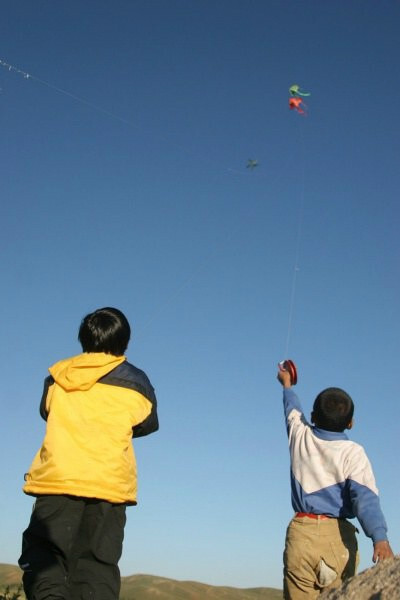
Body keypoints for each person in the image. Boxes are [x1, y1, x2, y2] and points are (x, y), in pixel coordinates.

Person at [19, 307, 159, 600]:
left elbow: (47, 411)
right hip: (109, 486)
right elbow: (147, 424)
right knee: (97, 567)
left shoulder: (57, 376)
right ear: (125, 342)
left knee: (46, 561)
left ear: (83, 339)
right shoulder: (138, 382)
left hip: (57, 481)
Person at [277, 364, 394, 600]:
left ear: (312, 417)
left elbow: (291, 408)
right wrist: (379, 538)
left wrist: (287, 383)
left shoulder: (300, 435)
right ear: (351, 423)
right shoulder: (354, 453)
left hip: (300, 535)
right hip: (336, 541)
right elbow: (365, 499)